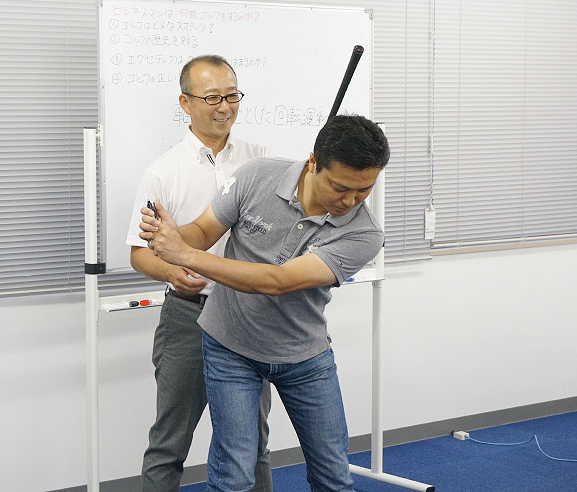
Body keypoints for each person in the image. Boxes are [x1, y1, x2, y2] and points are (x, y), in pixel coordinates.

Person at [140, 114, 390, 492]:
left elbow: (278, 281)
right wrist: (172, 235)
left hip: (303, 355)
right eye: (341, 187)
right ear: (313, 163)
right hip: (230, 346)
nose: (350, 200)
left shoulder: (365, 234)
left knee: (333, 477)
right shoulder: (258, 175)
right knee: (233, 476)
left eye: (364, 190)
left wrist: (184, 254)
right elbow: (204, 230)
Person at [125, 55, 273, 492]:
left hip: (248, 316)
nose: (224, 107)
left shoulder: (261, 160)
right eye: (211, 98)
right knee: (169, 443)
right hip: (189, 316)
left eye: (231, 95)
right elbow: (139, 255)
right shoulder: (162, 172)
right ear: (185, 103)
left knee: (253, 444)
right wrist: (171, 272)